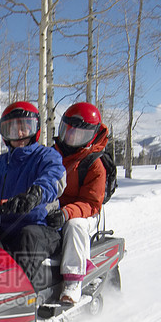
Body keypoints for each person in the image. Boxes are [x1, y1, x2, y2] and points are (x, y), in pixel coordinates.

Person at [0, 101, 65, 291]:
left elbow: (55, 177)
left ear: (35, 128)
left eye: (25, 127)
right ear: (5, 134)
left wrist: (35, 194)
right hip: (1, 226)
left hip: (40, 227)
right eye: (12, 129)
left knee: (28, 237)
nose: (20, 134)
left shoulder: (46, 156)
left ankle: (20, 300)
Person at [48, 102, 109, 304]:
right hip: (53, 209)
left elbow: (91, 203)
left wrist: (67, 213)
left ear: (91, 135)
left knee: (74, 226)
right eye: (68, 131)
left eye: (78, 134)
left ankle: (72, 281)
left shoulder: (93, 164)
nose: (71, 138)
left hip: (84, 213)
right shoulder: (52, 154)